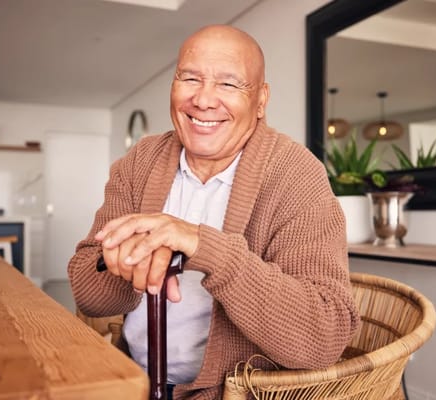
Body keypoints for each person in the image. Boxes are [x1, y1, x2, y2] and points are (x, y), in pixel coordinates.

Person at [68, 24, 359, 400]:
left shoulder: (296, 174)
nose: (203, 100)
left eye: (228, 84)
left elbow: (324, 337)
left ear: (261, 100)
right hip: (130, 381)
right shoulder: (140, 161)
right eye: (190, 78)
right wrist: (124, 259)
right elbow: (90, 295)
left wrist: (203, 246)